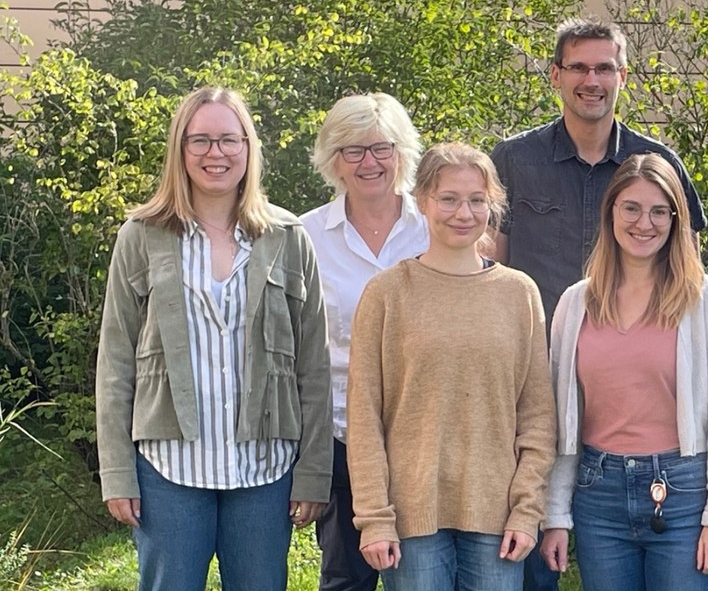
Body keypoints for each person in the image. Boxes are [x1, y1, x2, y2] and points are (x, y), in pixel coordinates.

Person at [491, 19, 707, 590]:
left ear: (623, 76)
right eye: (580, 67)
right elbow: (490, 269)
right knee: (535, 556)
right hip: (534, 385)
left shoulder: (657, 163)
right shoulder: (514, 162)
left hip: (636, 392)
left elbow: (689, 275)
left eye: (604, 67)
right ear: (556, 76)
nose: (593, 80)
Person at [95, 86, 332, 590]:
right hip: (168, 470)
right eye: (200, 140)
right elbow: (115, 362)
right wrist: (116, 471)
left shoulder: (288, 238)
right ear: (180, 149)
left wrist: (313, 471)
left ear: (248, 148)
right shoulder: (140, 236)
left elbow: (314, 365)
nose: (215, 154)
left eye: (229, 139)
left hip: (264, 471)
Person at [346, 142, 556, 591]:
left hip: (497, 520)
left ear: (492, 206)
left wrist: (526, 509)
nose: (463, 213)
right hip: (411, 518)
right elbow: (364, 417)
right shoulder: (387, 294)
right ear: (422, 201)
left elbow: (537, 416)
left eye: (477, 200)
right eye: (449, 199)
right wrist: (375, 518)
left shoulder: (519, 294)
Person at [539, 153, 708, 591]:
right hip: (599, 492)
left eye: (659, 211)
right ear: (611, 212)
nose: (644, 223)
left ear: (675, 220)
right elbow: (558, 418)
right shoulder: (576, 304)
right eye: (631, 208)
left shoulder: (705, 301)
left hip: (684, 493)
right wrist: (555, 514)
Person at [301, 93, 429, 591]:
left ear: (402, 153)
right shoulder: (306, 236)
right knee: (344, 578)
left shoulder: (437, 228)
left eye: (381, 147)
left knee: (423, 576)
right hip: (343, 437)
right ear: (333, 159)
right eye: (352, 150)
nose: (369, 162)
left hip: (425, 438)